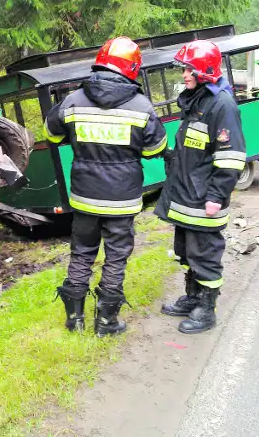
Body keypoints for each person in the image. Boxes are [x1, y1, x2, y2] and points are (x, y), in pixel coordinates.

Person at [46, 36, 168, 337]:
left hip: (85, 196)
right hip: (122, 198)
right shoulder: (141, 106)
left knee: (82, 252)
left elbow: (51, 134)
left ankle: (74, 320)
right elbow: (156, 149)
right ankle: (106, 323)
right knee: (116, 256)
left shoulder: (73, 100)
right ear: (133, 68)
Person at [156, 40, 246, 334]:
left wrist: (216, 197)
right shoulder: (197, 100)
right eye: (184, 69)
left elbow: (231, 158)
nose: (184, 75)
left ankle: (207, 309)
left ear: (205, 71)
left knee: (205, 256)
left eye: (189, 69)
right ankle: (192, 297)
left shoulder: (222, 104)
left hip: (203, 201)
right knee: (186, 252)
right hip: (185, 198)